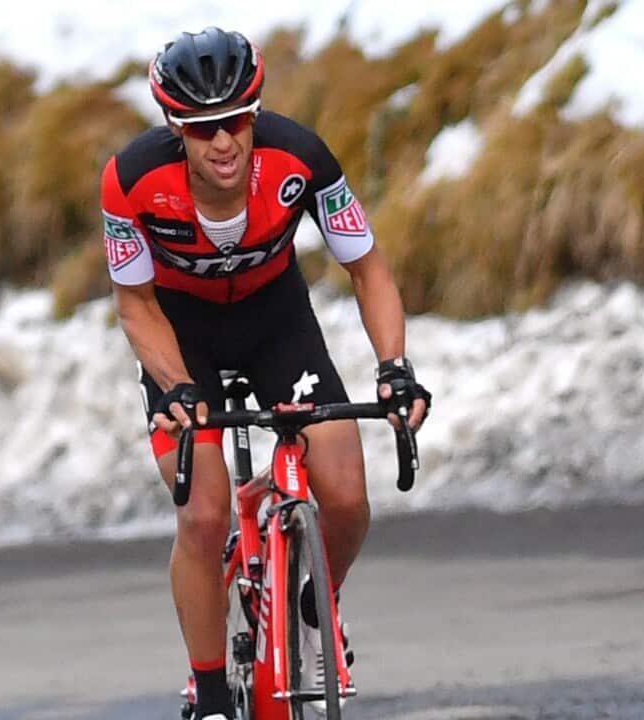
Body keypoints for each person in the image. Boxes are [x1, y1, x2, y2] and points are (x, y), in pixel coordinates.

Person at [100, 27, 431, 719]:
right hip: (180, 336)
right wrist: (177, 387)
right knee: (203, 515)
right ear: (174, 127)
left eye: (237, 121)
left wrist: (395, 368)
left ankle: (312, 612)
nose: (224, 142)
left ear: (255, 111)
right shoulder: (131, 181)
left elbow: (367, 268)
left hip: (275, 321)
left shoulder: (300, 157)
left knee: (345, 494)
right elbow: (134, 305)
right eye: (204, 128)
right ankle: (213, 691)